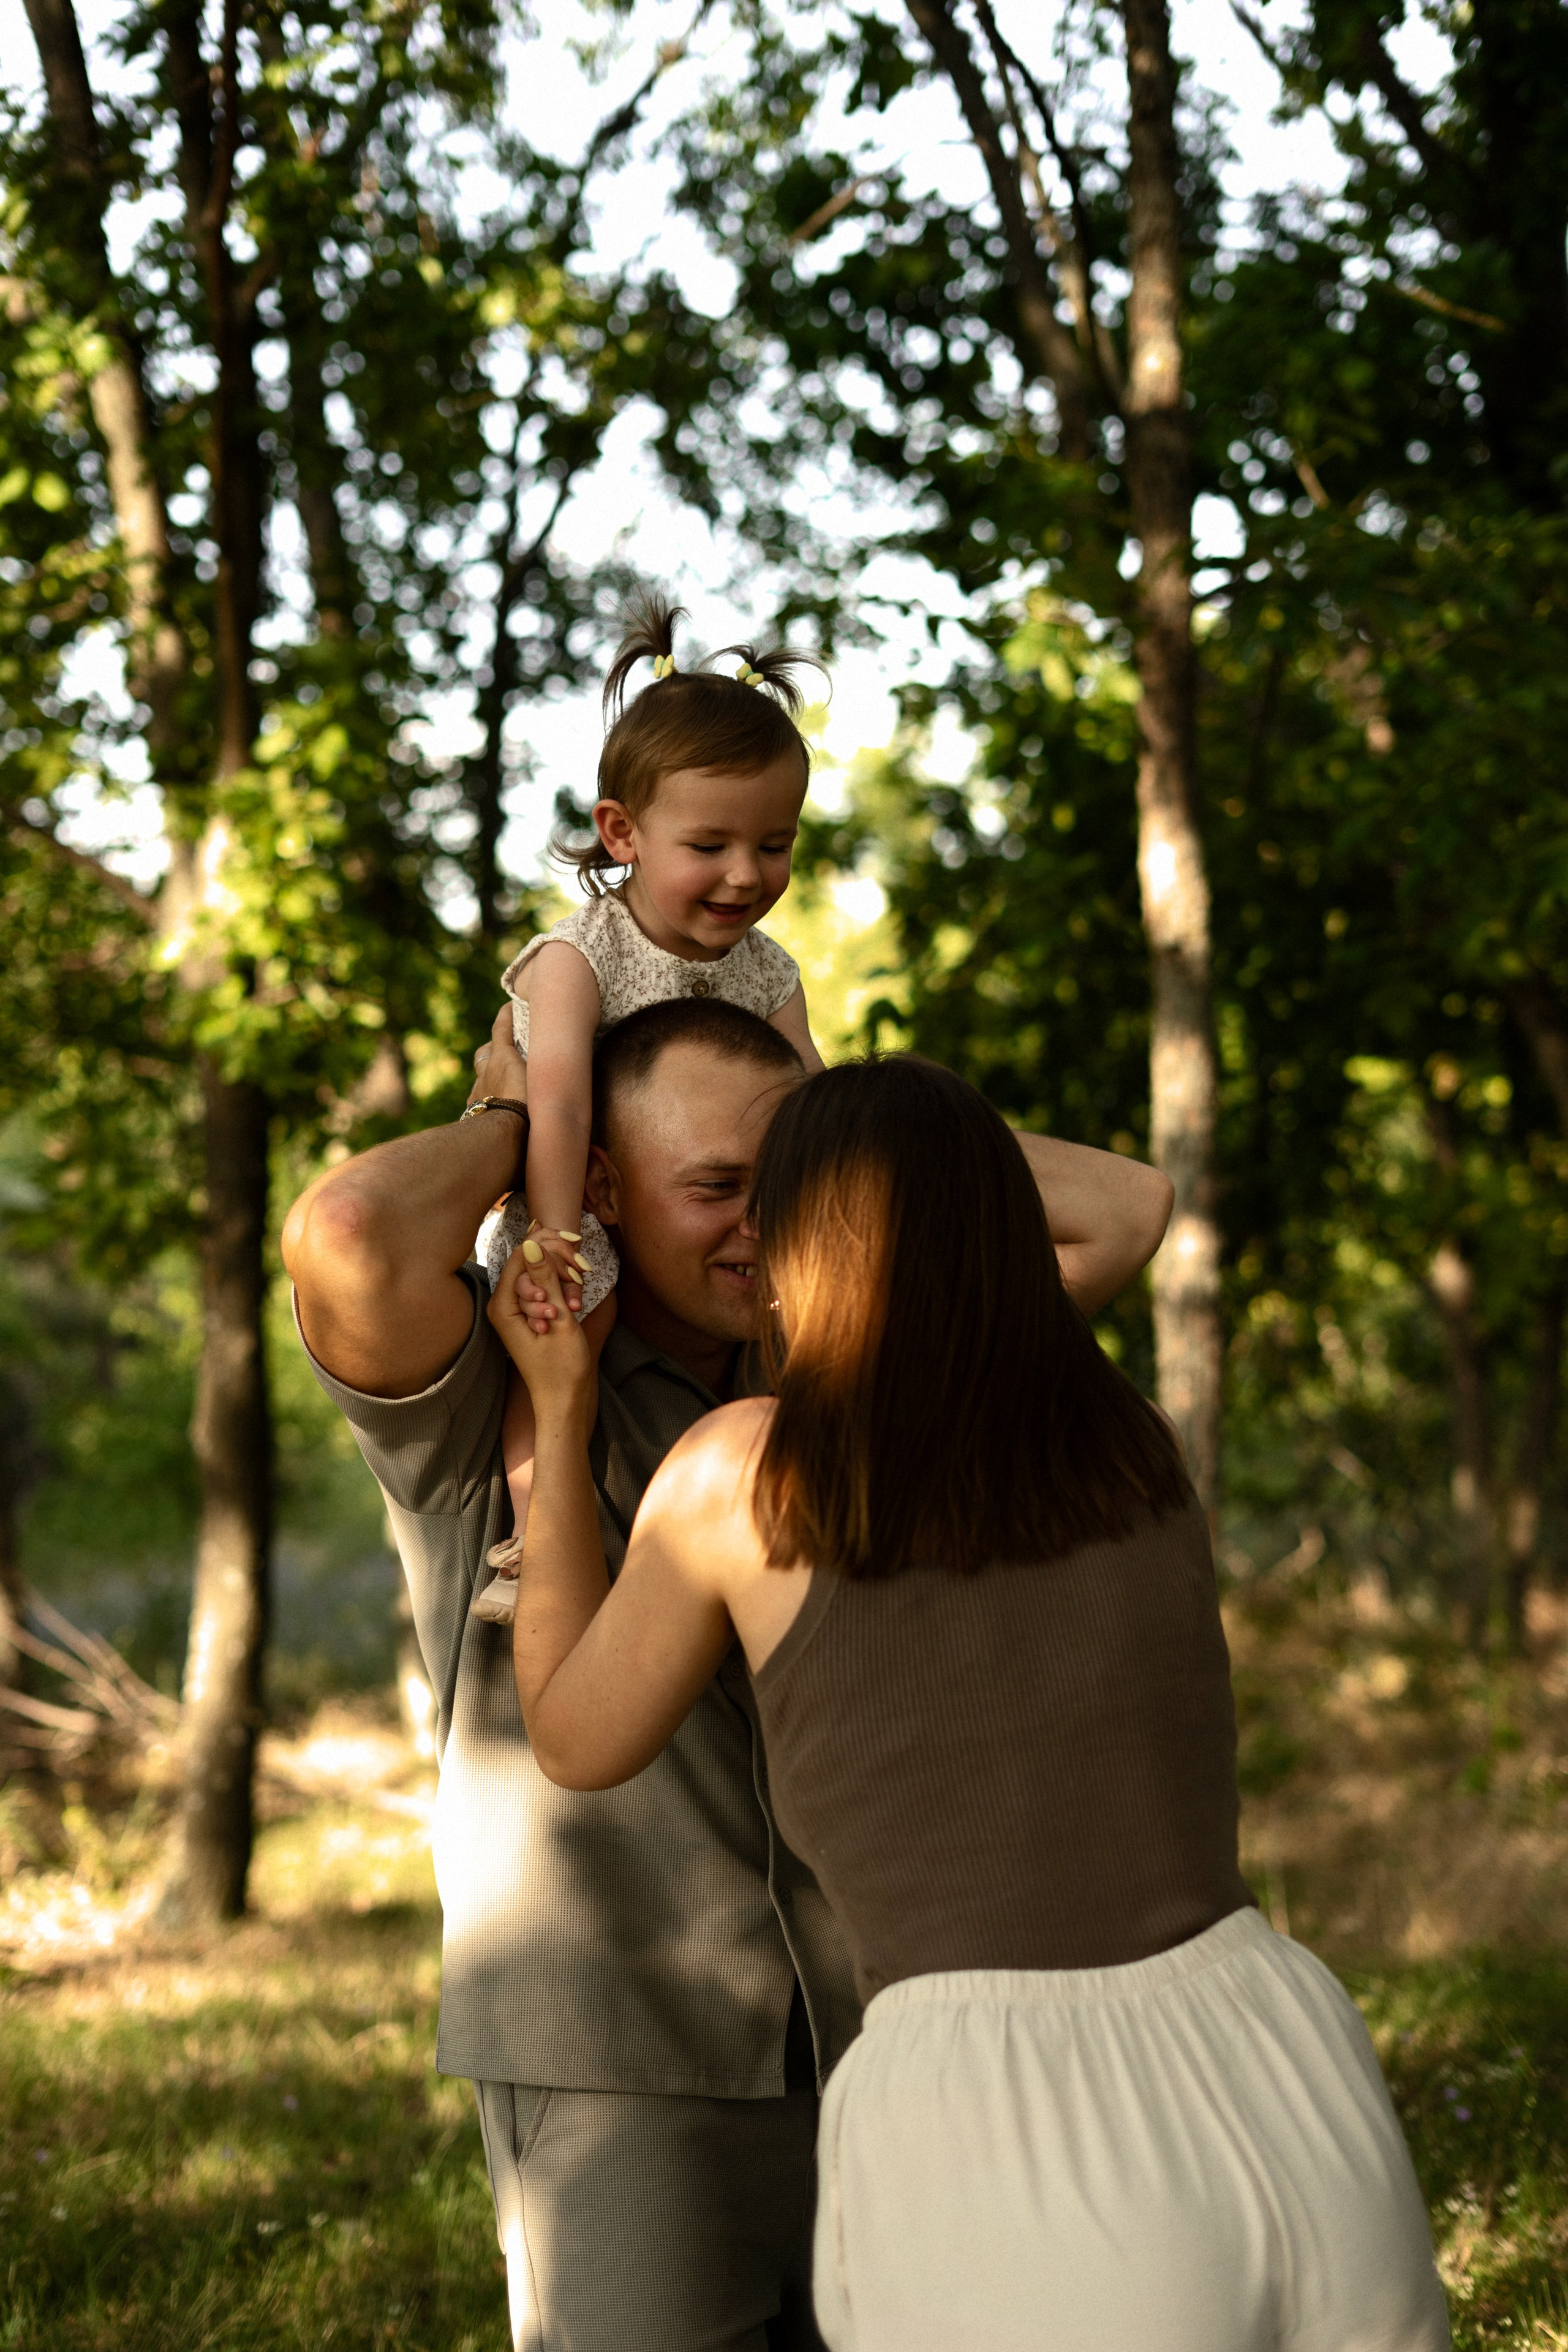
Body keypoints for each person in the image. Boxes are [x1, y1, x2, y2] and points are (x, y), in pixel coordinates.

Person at [491, 1053, 1451, 2352]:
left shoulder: (740, 1475)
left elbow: (573, 1736)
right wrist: (877, 1122)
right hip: (1282, 2062)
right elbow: (1115, 1203)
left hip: (999, 2111)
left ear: (802, 1235)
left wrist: (552, 1416)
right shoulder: (1124, 1443)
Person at [281, 999, 1177, 2352]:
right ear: (601, 1189)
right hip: (614, 2055)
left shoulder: (872, 1380)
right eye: (714, 1188)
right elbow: (349, 1238)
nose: (763, 1224)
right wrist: (528, 1118)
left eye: (789, 1184)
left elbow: (1123, 1208)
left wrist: (841, 1117)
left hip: (885, 2035)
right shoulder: (488, 1392)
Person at [485, 588, 824, 1328]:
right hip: (569, 1200)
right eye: (709, 847)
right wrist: (554, 1233)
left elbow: (811, 1100)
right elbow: (563, 1106)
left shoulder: (768, 972)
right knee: (573, 1319)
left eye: (774, 846)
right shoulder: (580, 958)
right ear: (621, 833)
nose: (745, 875)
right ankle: (540, 1446)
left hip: (711, 1219)